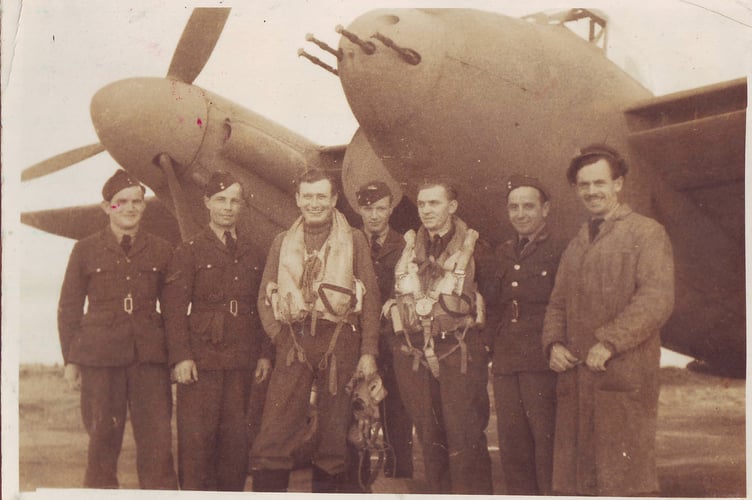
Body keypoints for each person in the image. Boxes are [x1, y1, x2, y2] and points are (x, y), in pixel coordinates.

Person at [542, 144, 675, 496]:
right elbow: (556, 303)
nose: (591, 192)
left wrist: (610, 341)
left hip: (623, 376)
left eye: (600, 183)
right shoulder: (577, 243)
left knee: (624, 481)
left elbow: (656, 299)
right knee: (578, 483)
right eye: (584, 185)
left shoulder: (647, 233)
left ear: (618, 184)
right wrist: (553, 344)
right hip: (577, 378)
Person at [249, 168, 380, 493]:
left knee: (334, 434)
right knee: (275, 432)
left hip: (340, 342)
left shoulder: (355, 239)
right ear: (298, 199)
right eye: (308, 196)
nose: (315, 203)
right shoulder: (282, 242)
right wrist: (279, 337)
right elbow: (266, 294)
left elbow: (372, 297)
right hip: (294, 341)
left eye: (321, 196)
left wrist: (368, 352)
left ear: (334, 199)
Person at [57, 169, 177, 489]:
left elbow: (174, 312)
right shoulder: (85, 250)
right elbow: (69, 307)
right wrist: (71, 360)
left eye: (136, 201)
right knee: (101, 445)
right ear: (106, 207)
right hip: (100, 358)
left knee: (158, 447)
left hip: (149, 360)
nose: (129, 208)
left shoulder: (162, 250)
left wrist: (177, 358)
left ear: (144, 206)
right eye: (120, 202)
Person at [163, 171, 272, 491]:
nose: (228, 207)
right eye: (221, 200)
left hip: (242, 362)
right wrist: (181, 357)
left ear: (242, 207)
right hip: (201, 362)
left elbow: (264, 305)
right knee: (198, 445)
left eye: (235, 201)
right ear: (207, 203)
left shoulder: (254, 253)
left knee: (236, 447)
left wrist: (265, 355)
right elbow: (173, 310)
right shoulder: (190, 250)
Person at [386, 178, 492, 494]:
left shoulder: (477, 251)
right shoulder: (407, 251)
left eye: (435, 203)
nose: (427, 210)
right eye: (422, 204)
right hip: (416, 354)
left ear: (452, 206)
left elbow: (491, 302)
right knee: (429, 435)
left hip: (458, 352)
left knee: (464, 435)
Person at [481, 175, 565, 495]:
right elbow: (492, 304)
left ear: (545, 210)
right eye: (514, 207)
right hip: (506, 359)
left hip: (541, 359)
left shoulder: (560, 250)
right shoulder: (502, 253)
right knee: (512, 445)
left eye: (529, 206)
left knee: (546, 443)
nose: (521, 213)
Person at [353, 181, 413, 483]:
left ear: (390, 208)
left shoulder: (404, 246)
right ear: (358, 209)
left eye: (381, 208)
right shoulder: (348, 244)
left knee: (397, 410)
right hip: (358, 341)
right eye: (368, 209)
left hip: (392, 342)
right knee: (355, 408)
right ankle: (357, 474)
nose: (374, 215)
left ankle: (400, 474)